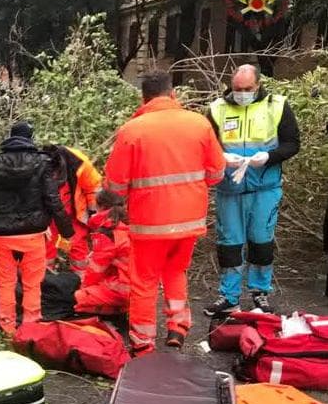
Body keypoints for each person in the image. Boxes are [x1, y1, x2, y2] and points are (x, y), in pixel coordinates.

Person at [105, 70, 225, 356]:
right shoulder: (199, 124)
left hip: (150, 223)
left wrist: (120, 202)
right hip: (189, 221)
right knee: (176, 271)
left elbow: (115, 185)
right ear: (173, 94)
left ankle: (143, 342)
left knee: (144, 281)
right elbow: (217, 173)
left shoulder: (133, 130)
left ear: (143, 97)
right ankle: (178, 327)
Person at [205, 64, 301, 316]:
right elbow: (206, 146)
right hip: (229, 188)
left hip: (265, 187)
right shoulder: (217, 109)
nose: (242, 93)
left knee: (262, 242)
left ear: (258, 85)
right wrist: (222, 156)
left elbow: (292, 144)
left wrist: (269, 157)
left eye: (247, 89)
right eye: (237, 89)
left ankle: (260, 293)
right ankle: (229, 296)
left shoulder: (276, 106)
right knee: (229, 244)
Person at [0, 121, 74, 335]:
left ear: (11, 136)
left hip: (3, 235)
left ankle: (7, 326)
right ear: (30, 137)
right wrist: (66, 231)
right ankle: (30, 326)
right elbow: (53, 200)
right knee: (32, 283)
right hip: (33, 234)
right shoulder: (42, 163)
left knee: (6, 282)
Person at [43, 145, 103, 276]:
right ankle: (45, 283)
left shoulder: (79, 163)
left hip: (74, 214)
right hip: (49, 215)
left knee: (78, 247)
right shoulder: (36, 164)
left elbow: (94, 188)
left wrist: (94, 214)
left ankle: (81, 282)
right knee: (45, 250)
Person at [74, 189, 130, 317]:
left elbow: (95, 271)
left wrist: (84, 290)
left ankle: (117, 310)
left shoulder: (108, 231)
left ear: (101, 207)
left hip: (123, 290)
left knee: (78, 297)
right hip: (138, 289)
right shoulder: (127, 225)